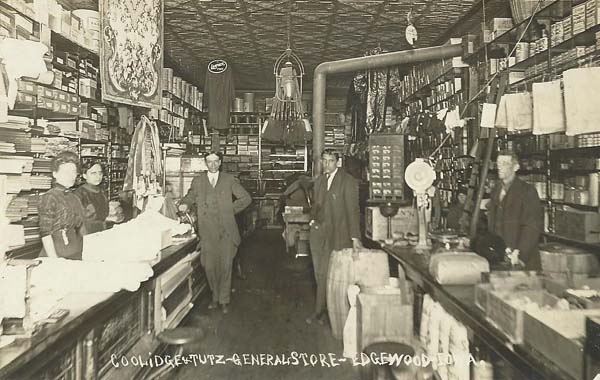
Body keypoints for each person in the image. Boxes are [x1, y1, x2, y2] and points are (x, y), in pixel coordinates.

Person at [178, 152, 251, 314]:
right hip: (207, 230)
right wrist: (184, 204)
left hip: (226, 230)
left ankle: (224, 300)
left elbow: (246, 198)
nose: (212, 164)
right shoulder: (198, 181)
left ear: (220, 163)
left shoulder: (229, 180)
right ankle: (215, 296)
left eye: (215, 161)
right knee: (209, 266)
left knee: (225, 266)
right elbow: (190, 197)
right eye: (209, 161)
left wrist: (230, 210)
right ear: (205, 163)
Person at [307, 149, 361, 325]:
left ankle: (333, 313)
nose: (327, 164)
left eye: (331, 161)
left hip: (338, 234)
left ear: (338, 162)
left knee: (337, 275)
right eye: (324, 160)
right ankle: (319, 310)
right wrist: (312, 220)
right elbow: (317, 205)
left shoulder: (348, 181)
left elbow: (353, 211)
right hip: (319, 233)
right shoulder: (320, 181)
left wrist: (355, 238)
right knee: (319, 272)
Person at [487, 152, 543, 269]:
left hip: (521, 259)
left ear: (516, 167)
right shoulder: (496, 190)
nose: (499, 166)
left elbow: (531, 226)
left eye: (505, 163)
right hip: (500, 256)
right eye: (498, 163)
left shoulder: (527, 191)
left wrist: (519, 252)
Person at [39, 151, 85, 259]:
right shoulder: (49, 197)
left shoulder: (74, 197)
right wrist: (54, 260)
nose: (71, 176)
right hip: (56, 254)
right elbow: (45, 233)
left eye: (73, 171)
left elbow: (80, 228)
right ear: (55, 173)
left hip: (74, 252)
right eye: (66, 172)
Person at [75, 161, 109, 234]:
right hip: (86, 233)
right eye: (93, 173)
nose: (98, 176)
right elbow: (79, 220)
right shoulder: (79, 193)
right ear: (84, 175)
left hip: (102, 231)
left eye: (100, 173)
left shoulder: (102, 191)